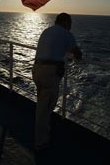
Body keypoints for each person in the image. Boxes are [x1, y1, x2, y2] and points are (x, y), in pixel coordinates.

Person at [32, 13, 82, 150]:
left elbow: (54, 47)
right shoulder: (66, 33)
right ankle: (40, 141)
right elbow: (77, 53)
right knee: (45, 107)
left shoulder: (47, 30)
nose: (71, 26)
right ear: (65, 22)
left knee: (43, 103)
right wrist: (77, 53)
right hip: (49, 73)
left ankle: (44, 131)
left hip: (37, 70)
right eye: (70, 22)